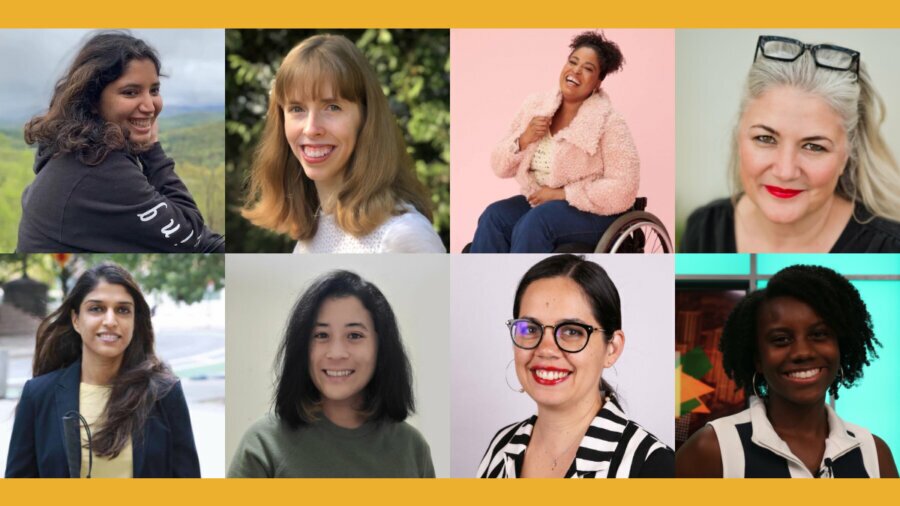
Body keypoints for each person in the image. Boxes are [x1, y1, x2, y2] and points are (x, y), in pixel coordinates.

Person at [676, 265, 898, 478]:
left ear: (841, 345)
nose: (802, 352)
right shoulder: (713, 449)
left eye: (819, 334)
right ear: (758, 359)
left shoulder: (874, 454)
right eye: (781, 339)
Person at [682, 35, 900, 253]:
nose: (785, 172)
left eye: (814, 147)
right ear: (739, 136)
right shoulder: (703, 230)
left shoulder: (890, 250)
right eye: (765, 139)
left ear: (847, 154)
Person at [16, 31, 224, 253]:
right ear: (93, 99)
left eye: (154, 90)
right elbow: (191, 237)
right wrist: (152, 149)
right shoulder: (96, 168)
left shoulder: (76, 153)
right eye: (131, 92)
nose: (150, 106)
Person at [240, 34, 444, 253]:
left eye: (332, 107)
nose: (311, 128)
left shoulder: (403, 235)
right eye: (297, 109)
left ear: (366, 118)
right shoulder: (309, 240)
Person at [478, 255, 672, 478]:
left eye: (572, 331)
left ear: (612, 348)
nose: (546, 349)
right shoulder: (501, 447)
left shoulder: (653, 466)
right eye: (531, 329)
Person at [228, 270, 434, 477]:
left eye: (354, 335)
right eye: (321, 335)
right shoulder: (263, 446)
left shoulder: (413, 449)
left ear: (381, 346)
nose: (336, 353)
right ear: (302, 346)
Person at [5, 263, 200, 478]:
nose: (110, 321)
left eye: (123, 310)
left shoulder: (164, 393)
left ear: (135, 321)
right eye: (96, 308)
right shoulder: (38, 394)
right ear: (76, 320)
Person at [469, 31, 640, 253]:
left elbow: (624, 188)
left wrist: (563, 194)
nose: (576, 70)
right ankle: (486, 285)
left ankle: (524, 286)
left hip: (594, 211)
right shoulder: (535, 107)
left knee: (536, 222)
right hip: (542, 203)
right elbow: (499, 166)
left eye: (588, 69)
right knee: (494, 216)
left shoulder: (609, 121)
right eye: (573, 62)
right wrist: (524, 139)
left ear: (598, 82)